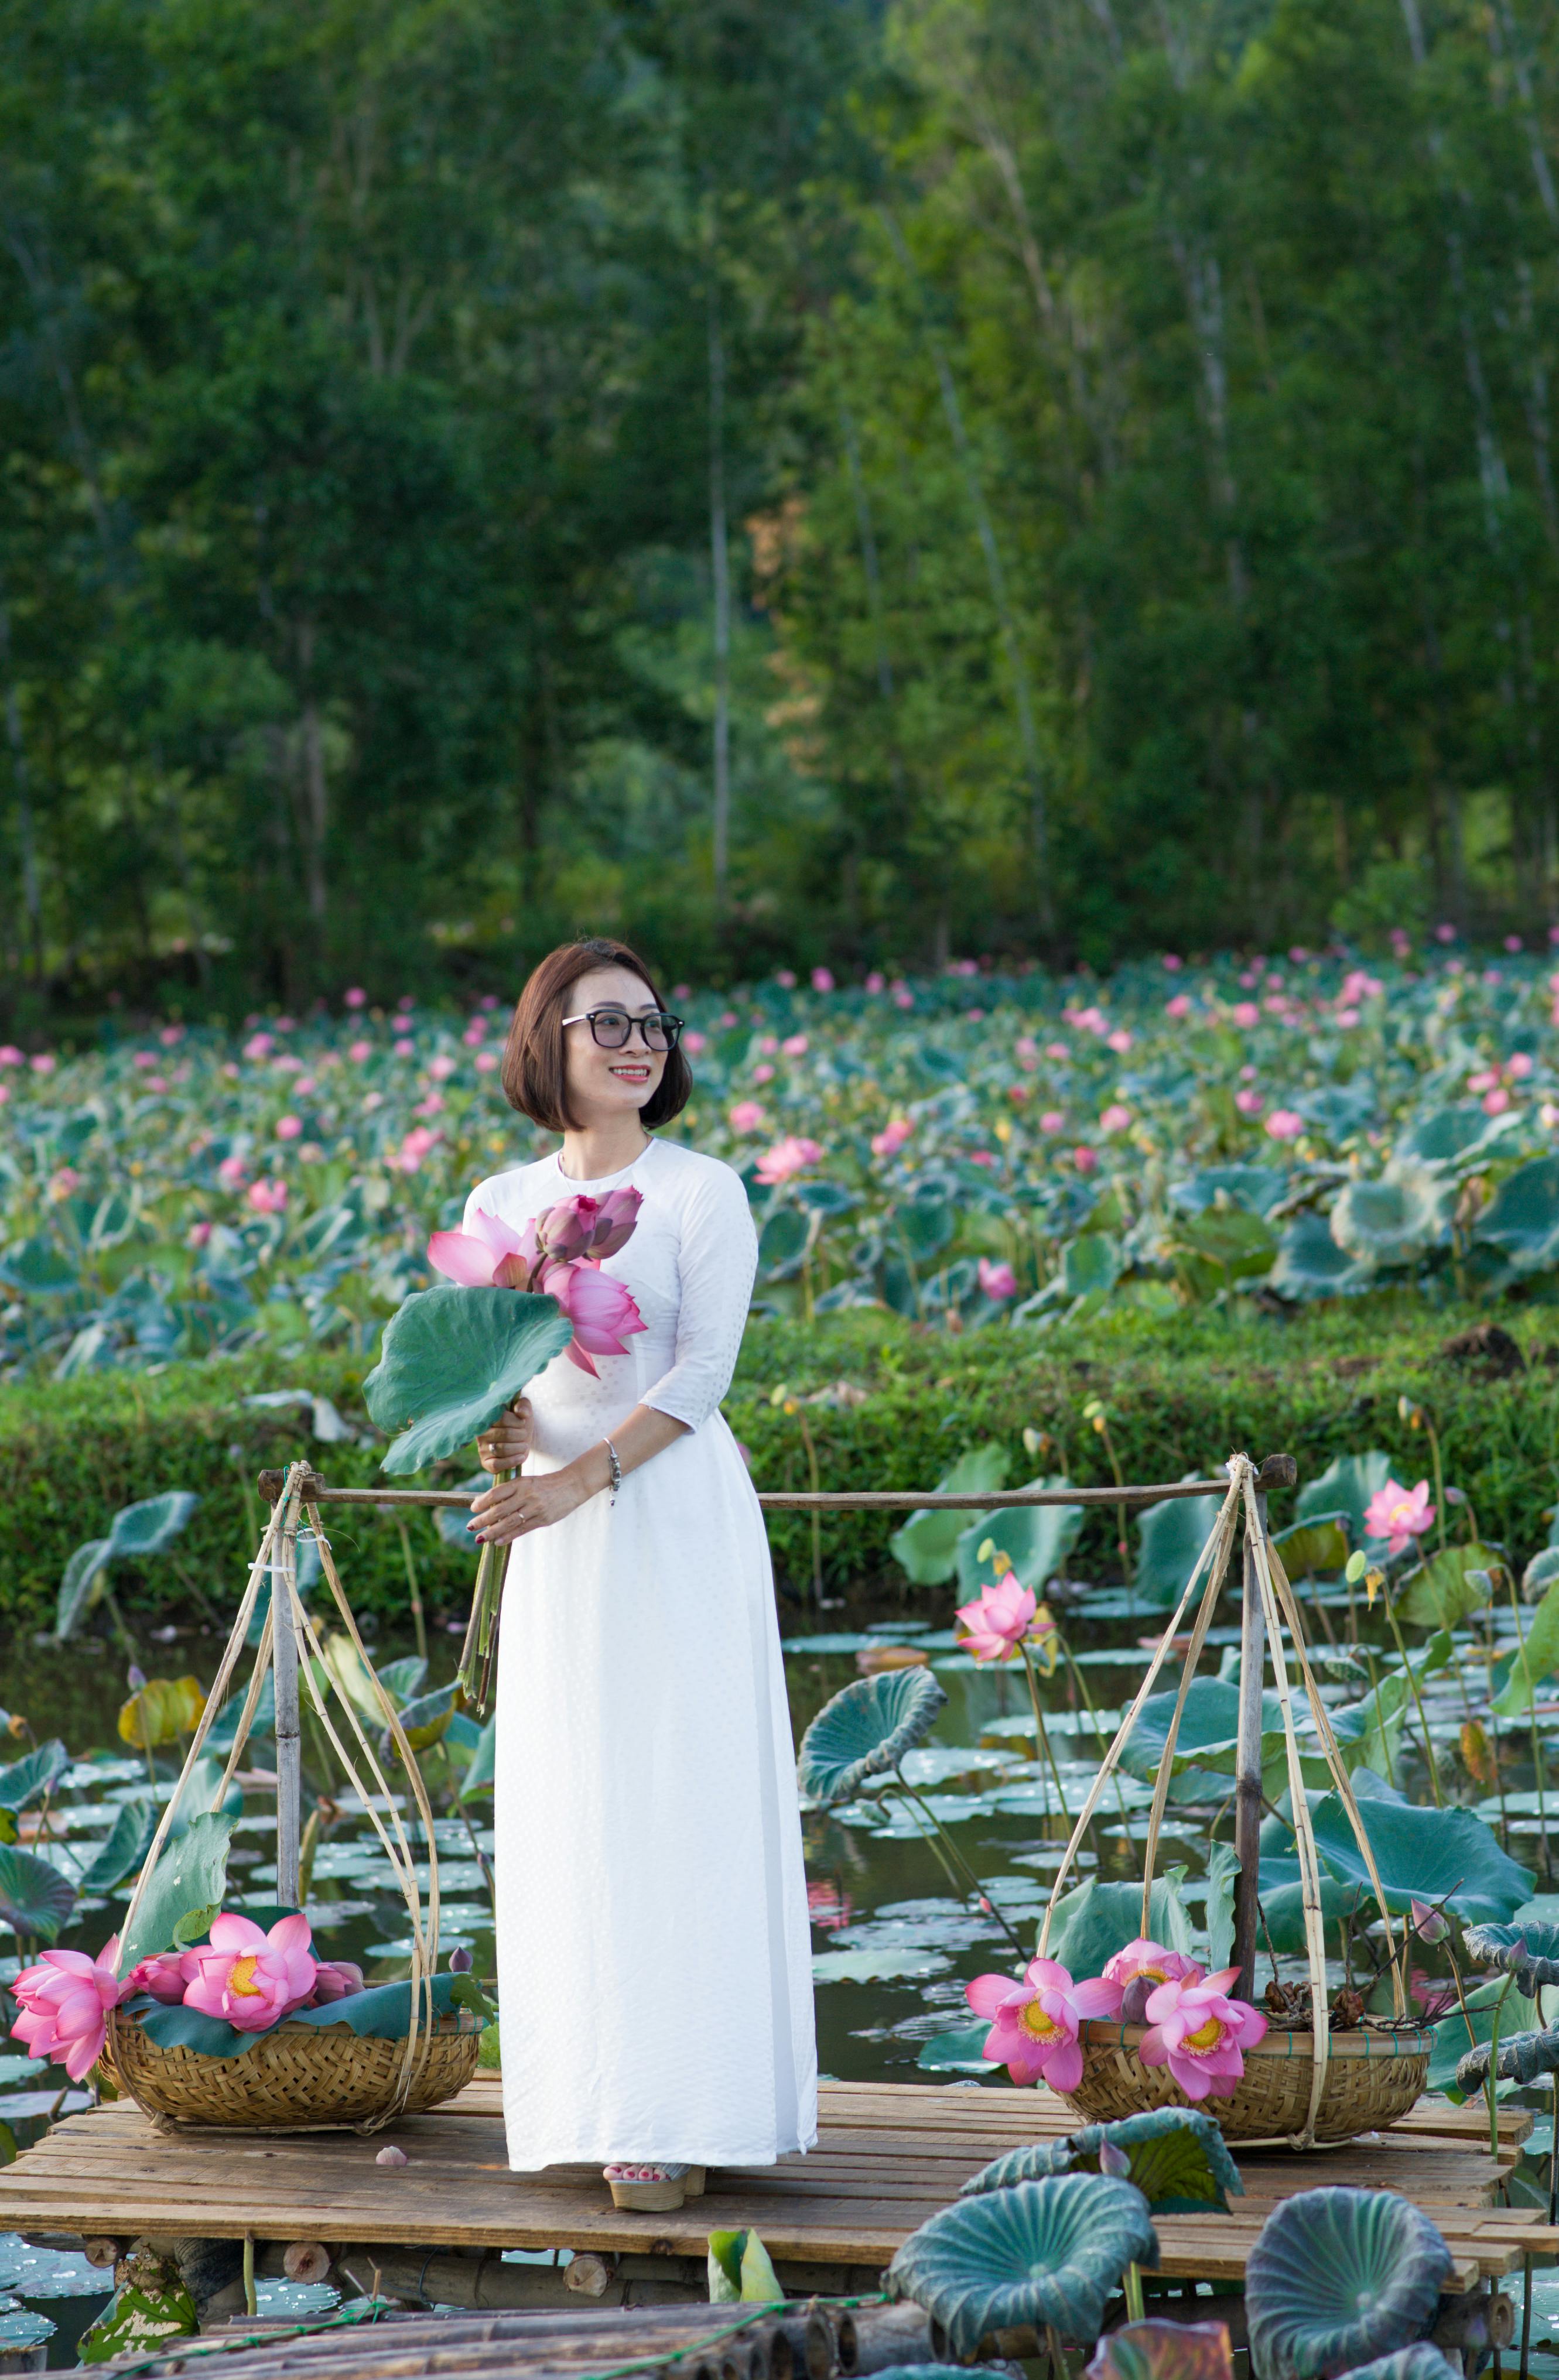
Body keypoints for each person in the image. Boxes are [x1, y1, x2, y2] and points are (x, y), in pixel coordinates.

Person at [466, 936, 818, 2210]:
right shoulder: (498, 1203)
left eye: (649, 1020)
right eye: (601, 1021)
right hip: (551, 1546)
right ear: (543, 1044)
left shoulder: (699, 1189)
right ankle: (585, 2099)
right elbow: (501, 1365)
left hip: (667, 1512)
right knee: (574, 1798)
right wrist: (503, 1432)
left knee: (683, 1791)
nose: (634, 1040)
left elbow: (702, 1373)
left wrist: (576, 1479)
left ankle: (689, 2107)